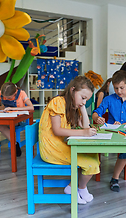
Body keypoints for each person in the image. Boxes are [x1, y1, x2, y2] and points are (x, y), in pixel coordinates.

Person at [39, 76, 99, 204]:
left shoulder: (73, 106)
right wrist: (84, 133)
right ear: (72, 90)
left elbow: (85, 127)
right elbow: (57, 130)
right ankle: (72, 188)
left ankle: (81, 188)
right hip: (51, 148)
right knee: (91, 163)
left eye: (86, 100)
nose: (84, 102)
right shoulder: (58, 102)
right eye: (83, 98)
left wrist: (83, 109)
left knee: (94, 156)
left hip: (60, 144)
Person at [93, 70, 126, 192]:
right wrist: (98, 118)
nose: (119, 91)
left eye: (122, 88)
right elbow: (96, 113)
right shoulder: (109, 99)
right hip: (111, 132)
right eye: (116, 88)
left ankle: (115, 178)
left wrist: (123, 124)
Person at [0, 82, 34, 156]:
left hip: (17, 118)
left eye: (9, 98)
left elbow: (31, 107)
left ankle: (15, 143)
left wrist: (12, 108)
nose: (6, 99)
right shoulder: (2, 92)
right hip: (4, 116)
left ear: (15, 92)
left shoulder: (21, 93)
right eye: (5, 97)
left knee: (1, 125)